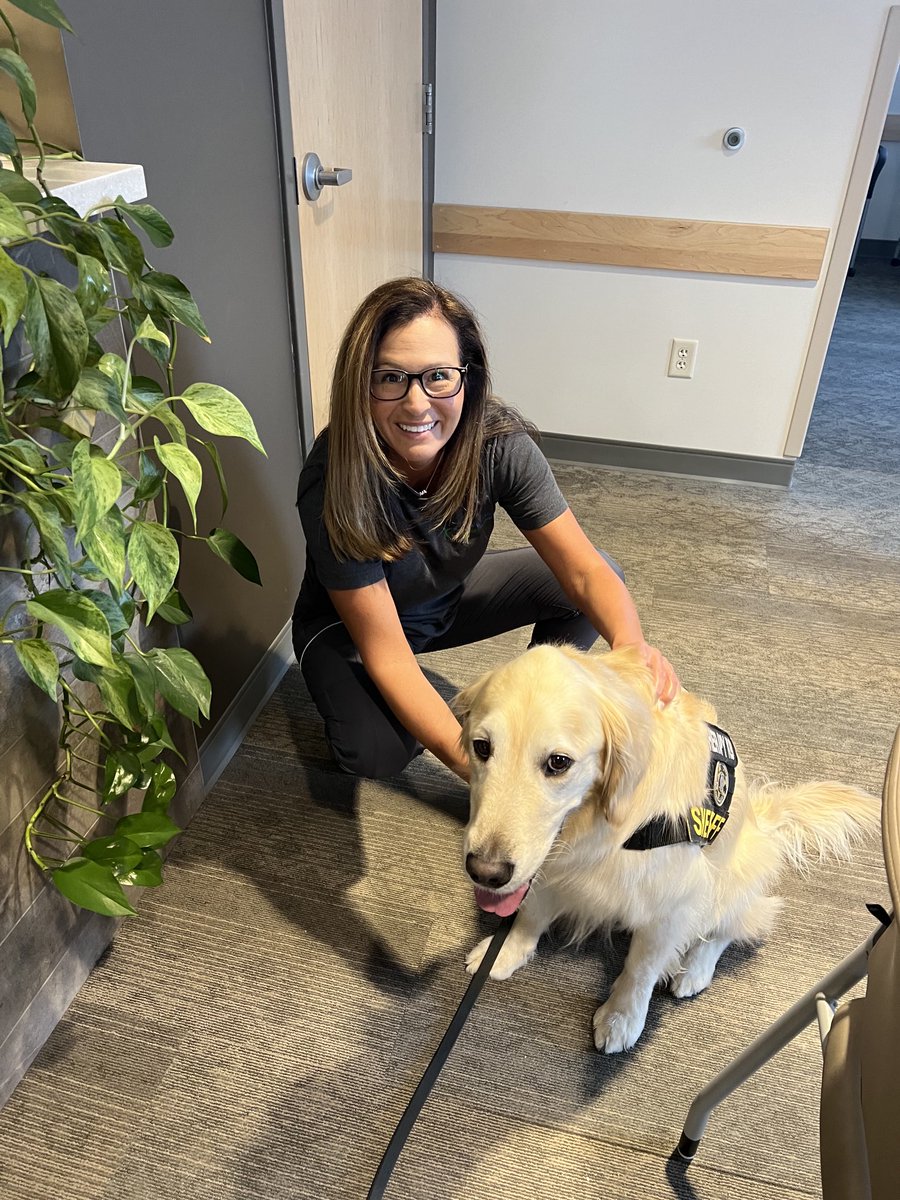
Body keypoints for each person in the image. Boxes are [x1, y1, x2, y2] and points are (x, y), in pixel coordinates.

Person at [292, 277, 679, 782]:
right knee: (376, 754)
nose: (415, 404)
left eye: (438, 377)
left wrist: (633, 654)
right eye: (389, 378)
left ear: (467, 378)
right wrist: (492, 778)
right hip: (351, 632)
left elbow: (584, 572)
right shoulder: (333, 478)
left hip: (444, 601)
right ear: (359, 384)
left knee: (599, 575)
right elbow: (387, 655)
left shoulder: (499, 444)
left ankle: (538, 707)